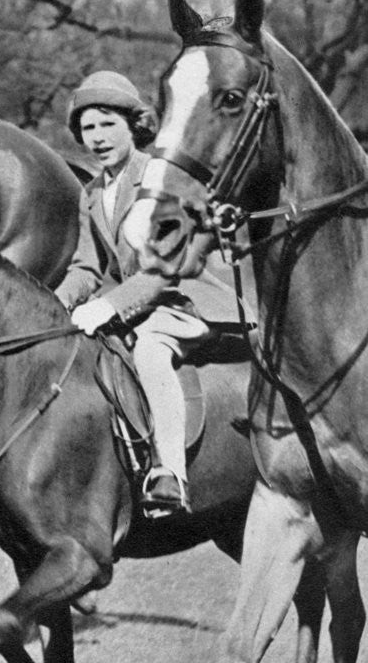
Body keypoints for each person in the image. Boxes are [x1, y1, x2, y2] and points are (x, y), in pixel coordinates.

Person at [59, 71, 243, 517]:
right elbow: (88, 266)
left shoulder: (161, 180)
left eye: (108, 124)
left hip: (184, 299)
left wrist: (109, 305)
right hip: (135, 307)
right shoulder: (90, 195)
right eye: (88, 128)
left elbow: (162, 272)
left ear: (133, 125)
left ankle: (170, 474)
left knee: (150, 353)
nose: (98, 137)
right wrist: (58, 304)